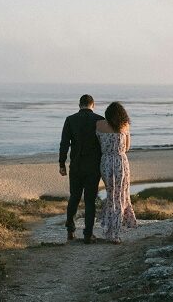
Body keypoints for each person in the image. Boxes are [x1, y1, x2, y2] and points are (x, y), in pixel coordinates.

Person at [59, 94, 104, 243]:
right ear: (93, 104)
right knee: (90, 200)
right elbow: (104, 144)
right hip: (93, 166)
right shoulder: (100, 120)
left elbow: (64, 143)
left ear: (79, 105)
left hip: (76, 165)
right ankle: (88, 234)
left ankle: (70, 232)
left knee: (74, 198)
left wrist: (61, 164)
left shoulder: (70, 119)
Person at [96, 101, 137, 243]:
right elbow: (127, 148)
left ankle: (109, 229)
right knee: (121, 195)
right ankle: (115, 232)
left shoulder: (99, 125)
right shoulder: (125, 126)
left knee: (111, 194)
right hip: (120, 162)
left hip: (106, 162)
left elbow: (97, 143)